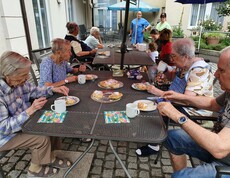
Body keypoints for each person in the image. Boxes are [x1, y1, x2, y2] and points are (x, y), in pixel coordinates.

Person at [157, 46, 230, 178]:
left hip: (225, 160)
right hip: (219, 147)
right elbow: (212, 104)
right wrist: (180, 97)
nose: (215, 74)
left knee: (181, 177)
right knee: (172, 137)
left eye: (221, 70)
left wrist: (177, 115)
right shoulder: (229, 92)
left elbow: (219, 148)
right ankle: (180, 172)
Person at [135, 38, 214, 157]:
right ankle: (152, 135)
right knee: (146, 99)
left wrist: (159, 93)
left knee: (154, 108)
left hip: (193, 110)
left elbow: (187, 100)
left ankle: (154, 145)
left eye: (174, 56)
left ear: (185, 56)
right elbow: (175, 78)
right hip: (175, 100)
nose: (172, 60)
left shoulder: (199, 70)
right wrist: (165, 71)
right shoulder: (186, 64)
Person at [0, 51, 72, 177]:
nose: (27, 78)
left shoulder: (18, 82)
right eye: (23, 75)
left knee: (53, 124)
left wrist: (53, 89)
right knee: (40, 138)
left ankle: (50, 156)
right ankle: (35, 170)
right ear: (8, 75)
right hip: (4, 137)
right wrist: (30, 110)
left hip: (23, 122)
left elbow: (35, 90)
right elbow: (4, 128)